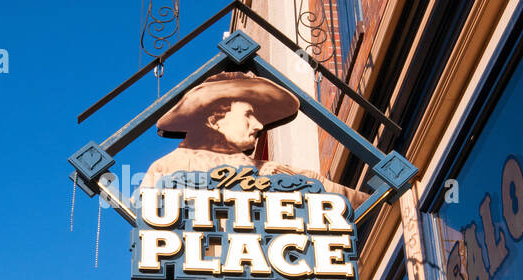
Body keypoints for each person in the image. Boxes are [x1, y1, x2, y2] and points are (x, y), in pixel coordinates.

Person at [140, 70, 365, 206]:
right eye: (248, 115)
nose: (258, 125)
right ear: (214, 120)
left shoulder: (274, 171)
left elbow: (349, 198)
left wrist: (386, 199)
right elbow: (147, 220)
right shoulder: (168, 169)